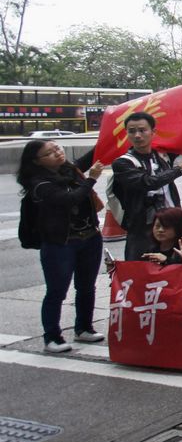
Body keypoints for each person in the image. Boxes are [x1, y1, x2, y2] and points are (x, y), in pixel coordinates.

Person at [17, 141, 106, 352]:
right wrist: (91, 179)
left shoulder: (70, 170)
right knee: (56, 291)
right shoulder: (39, 184)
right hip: (61, 243)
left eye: (57, 148)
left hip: (90, 237)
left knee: (86, 286)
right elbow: (69, 199)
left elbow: (94, 155)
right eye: (49, 153)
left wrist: (111, 135)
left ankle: (84, 328)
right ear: (37, 161)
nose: (57, 153)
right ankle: (52, 337)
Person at [112, 111, 182, 260]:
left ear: (153, 132)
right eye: (132, 131)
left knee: (175, 267)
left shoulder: (162, 156)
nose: (137, 135)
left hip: (170, 222)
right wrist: (180, 168)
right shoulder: (122, 163)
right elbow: (147, 182)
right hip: (142, 226)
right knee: (141, 269)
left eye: (142, 130)